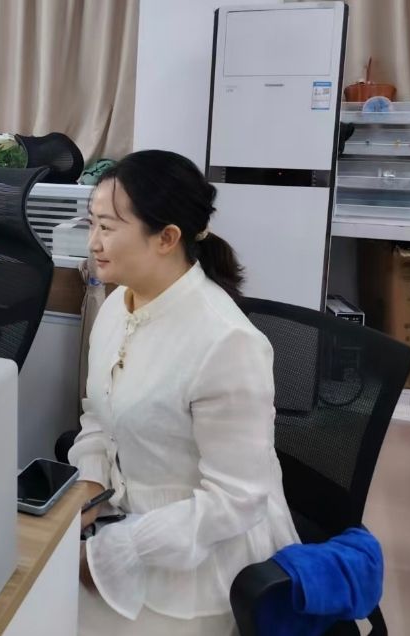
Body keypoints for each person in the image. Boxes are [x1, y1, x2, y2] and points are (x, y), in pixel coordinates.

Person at [69, 150, 299, 635]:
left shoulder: (225, 342)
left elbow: (235, 502)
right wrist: (88, 484)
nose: (93, 243)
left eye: (107, 227)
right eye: (91, 223)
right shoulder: (117, 307)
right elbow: (99, 416)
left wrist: (114, 553)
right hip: (121, 523)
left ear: (167, 238)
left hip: (203, 564)